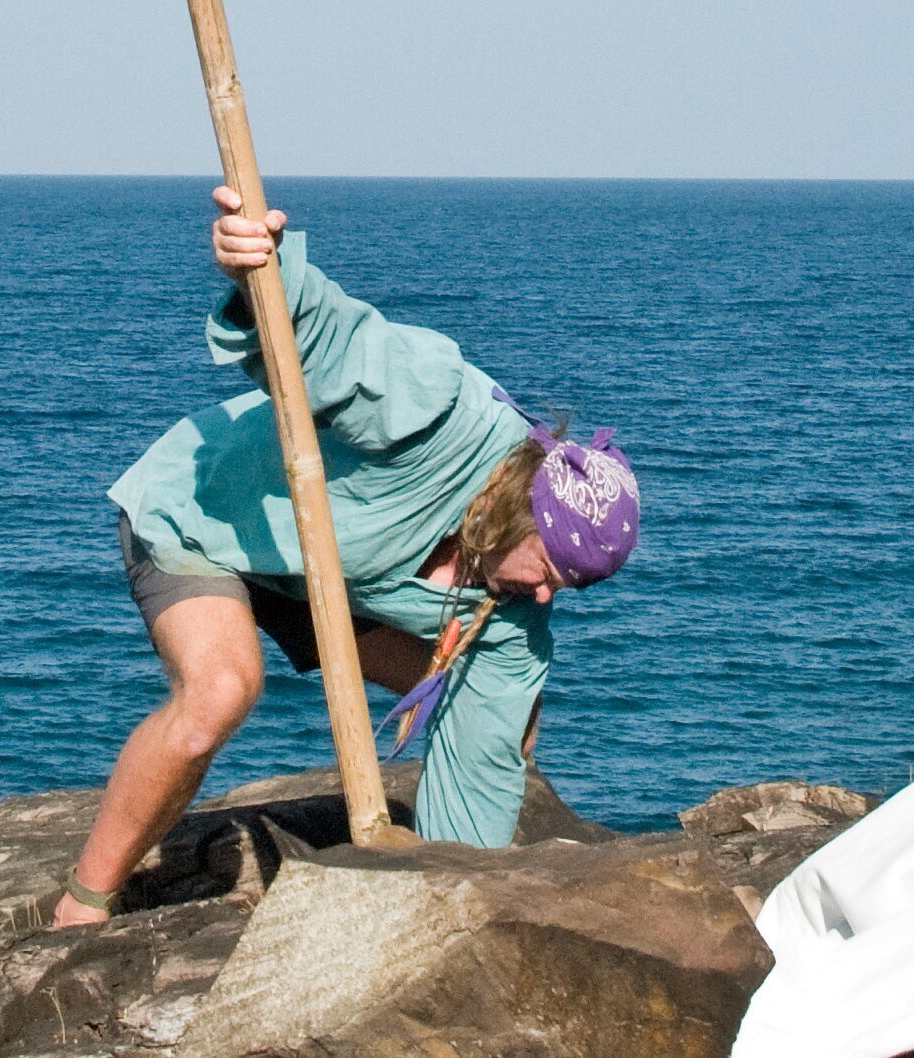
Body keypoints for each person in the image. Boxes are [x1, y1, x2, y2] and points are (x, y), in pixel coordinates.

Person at [52, 186, 642, 924]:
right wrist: (263, 270)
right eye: (550, 572)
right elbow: (334, 339)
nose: (547, 597)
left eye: (569, 589)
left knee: (508, 715)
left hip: (324, 582)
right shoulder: (440, 410)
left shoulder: (511, 618)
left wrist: (456, 907)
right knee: (222, 691)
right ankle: (83, 902)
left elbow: (482, 774)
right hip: (206, 518)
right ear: (522, 509)